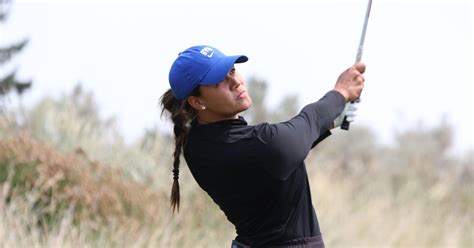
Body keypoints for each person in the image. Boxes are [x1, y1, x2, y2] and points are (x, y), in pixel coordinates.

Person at [160, 45, 365, 248]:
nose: (236, 82)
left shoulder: (200, 140)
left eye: (232, 71)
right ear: (196, 102)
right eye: (219, 80)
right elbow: (284, 144)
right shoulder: (234, 144)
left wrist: (329, 122)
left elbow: (286, 148)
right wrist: (340, 93)